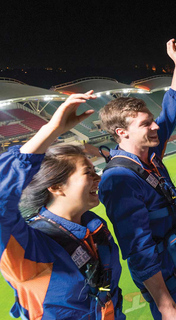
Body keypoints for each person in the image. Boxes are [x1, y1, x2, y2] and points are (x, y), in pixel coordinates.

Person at [98, 39, 176, 320]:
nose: (155, 126)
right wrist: (165, 305)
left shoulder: (150, 153)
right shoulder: (119, 179)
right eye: (146, 124)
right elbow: (138, 249)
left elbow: (171, 110)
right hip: (170, 282)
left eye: (152, 120)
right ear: (121, 132)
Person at [0, 91, 125, 319]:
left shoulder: (95, 229)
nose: (98, 177)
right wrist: (51, 131)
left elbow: (107, 292)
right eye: (89, 173)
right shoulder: (31, 248)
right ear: (57, 187)